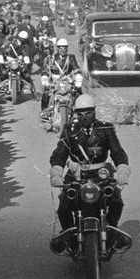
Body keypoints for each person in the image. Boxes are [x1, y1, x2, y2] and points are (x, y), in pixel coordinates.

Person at [49, 94, 131, 253]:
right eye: (80, 113)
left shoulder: (106, 128)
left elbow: (117, 151)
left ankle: (111, 231)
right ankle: (69, 234)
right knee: (64, 205)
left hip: (101, 173)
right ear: (75, 113)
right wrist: (57, 172)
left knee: (116, 201)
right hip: (76, 174)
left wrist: (122, 168)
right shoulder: (69, 130)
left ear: (94, 112)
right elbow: (60, 153)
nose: (84, 117)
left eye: (88, 113)